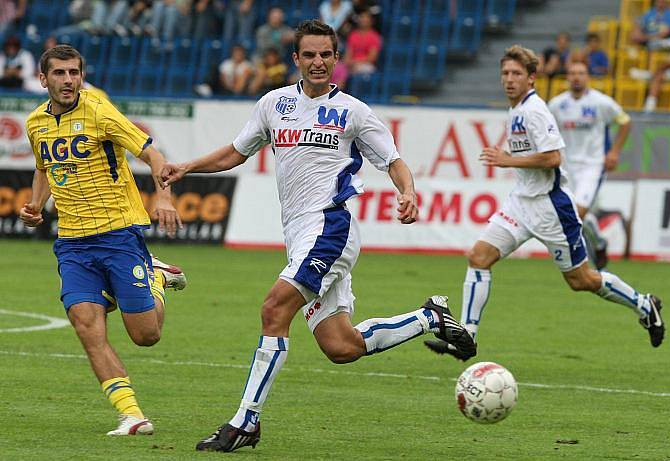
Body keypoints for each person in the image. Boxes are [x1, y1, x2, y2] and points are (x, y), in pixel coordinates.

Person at [160, 19, 475, 453]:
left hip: (330, 229)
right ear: (296, 59)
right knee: (341, 346)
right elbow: (237, 151)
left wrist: (409, 192)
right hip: (299, 234)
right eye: (309, 54)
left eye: (326, 54)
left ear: (336, 57)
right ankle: (429, 317)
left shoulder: (354, 112)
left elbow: (394, 160)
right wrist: (187, 167)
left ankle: (245, 421)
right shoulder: (274, 104)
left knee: (274, 308)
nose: (318, 62)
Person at [424, 45, 664, 361]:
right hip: (521, 204)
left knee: (582, 280)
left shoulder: (535, 110)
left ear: (531, 78)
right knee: (479, 257)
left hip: (551, 208)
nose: (509, 80)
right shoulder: (518, 109)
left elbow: (553, 157)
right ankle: (466, 336)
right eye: (505, 73)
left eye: (516, 74)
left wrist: (508, 160)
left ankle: (644, 305)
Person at [20, 45, 187, 436]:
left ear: (81, 76)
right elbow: (44, 168)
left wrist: (163, 196)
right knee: (86, 325)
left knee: (146, 336)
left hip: (118, 235)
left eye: (74, 73)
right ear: (43, 79)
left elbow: (153, 154)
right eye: (59, 74)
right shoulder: (35, 123)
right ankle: (132, 415)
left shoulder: (98, 110)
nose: (68, 81)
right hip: (73, 243)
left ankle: (156, 277)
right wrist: (35, 205)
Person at [548, 58, 631, 270]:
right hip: (566, 167)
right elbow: (547, 132)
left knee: (577, 213)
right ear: (567, 77)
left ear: (588, 77)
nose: (576, 77)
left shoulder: (601, 102)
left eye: (581, 73)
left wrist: (613, 152)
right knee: (574, 214)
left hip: (593, 167)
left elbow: (625, 121)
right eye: (573, 73)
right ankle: (599, 242)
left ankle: (578, 259)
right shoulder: (557, 105)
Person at [344, 9, 382, 75]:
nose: (363, 20)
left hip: (366, 65)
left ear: (371, 21)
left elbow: (372, 58)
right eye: (362, 17)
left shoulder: (375, 36)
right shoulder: (353, 35)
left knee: (358, 70)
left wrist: (356, 62)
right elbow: (348, 54)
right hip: (352, 64)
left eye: (366, 17)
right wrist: (348, 62)